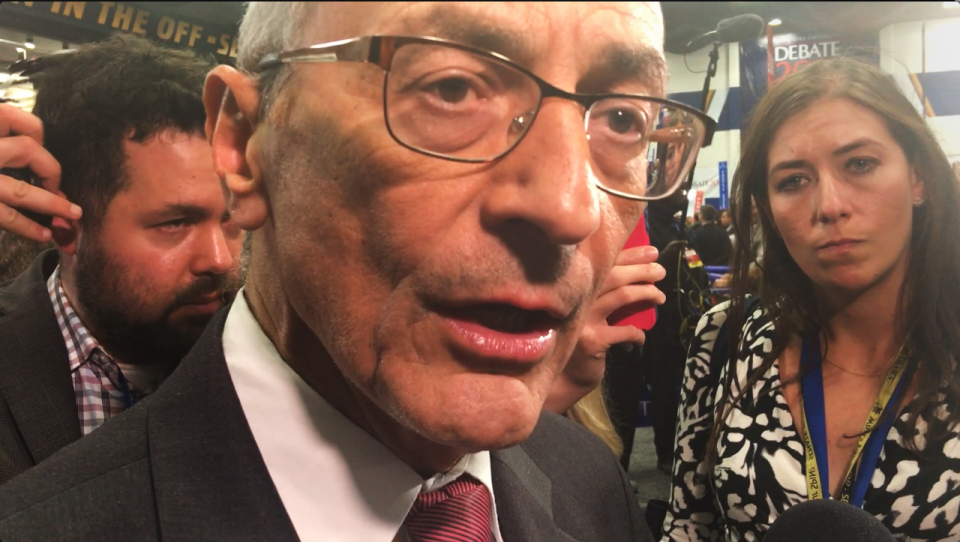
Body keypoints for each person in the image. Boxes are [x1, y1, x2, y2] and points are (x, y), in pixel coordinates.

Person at [0, 2, 716, 540]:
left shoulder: (590, 487)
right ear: (247, 141)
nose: (572, 207)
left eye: (623, 119)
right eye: (452, 87)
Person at [662, 57, 960, 541]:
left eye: (860, 164)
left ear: (918, 178)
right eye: (793, 181)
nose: (829, 206)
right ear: (767, 206)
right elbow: (688, 527)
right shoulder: (726, 336)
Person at [0, 35, 242, 485]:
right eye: (175, 223)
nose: (220, 259)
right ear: (65, 223)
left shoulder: (261, 356)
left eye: (232, 220)